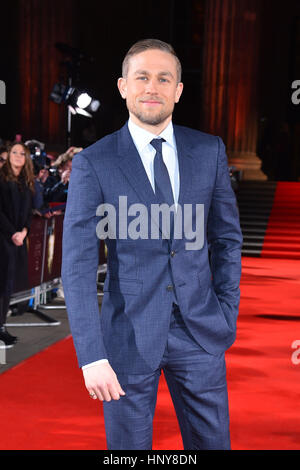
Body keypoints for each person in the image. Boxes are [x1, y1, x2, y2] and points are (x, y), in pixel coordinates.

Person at [62, 39, 242, 450]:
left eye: (164, 78)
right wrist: (91, 355)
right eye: (142, 77)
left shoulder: (208, 150)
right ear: (123, 86)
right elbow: (76, 264)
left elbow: (228, 239)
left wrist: (226, 310)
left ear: (178, 90)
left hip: (201, 334)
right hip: (126, 337)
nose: (152, 87)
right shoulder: (95, 161)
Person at [0, 142, 34, 347]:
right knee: (1, 285)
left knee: (7, 286)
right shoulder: (1, 180)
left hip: (16, 239)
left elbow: (28, 211)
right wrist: (13, 232)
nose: (18, 156)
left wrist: (24, 231)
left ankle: (2, 326)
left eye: (23, 153)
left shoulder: (25, 183)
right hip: (3, 237)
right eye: (15, 152)